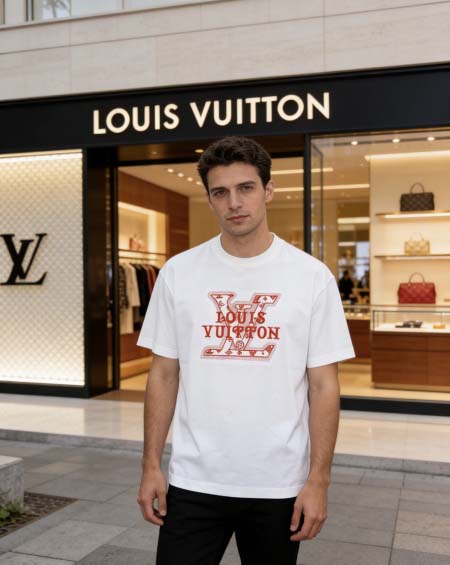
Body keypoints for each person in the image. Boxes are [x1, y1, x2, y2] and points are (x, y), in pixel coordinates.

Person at [137, 136, 355, 565]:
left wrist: (319, 481)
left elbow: (323, 387)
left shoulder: (312, 278)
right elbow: (163, 374)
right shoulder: (179, 273)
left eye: (246, 188)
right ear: (209, 199)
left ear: (268, 191)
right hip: (194, 479)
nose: (234, 202)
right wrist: (150, 466)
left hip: (278, 483)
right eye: (220, 192)